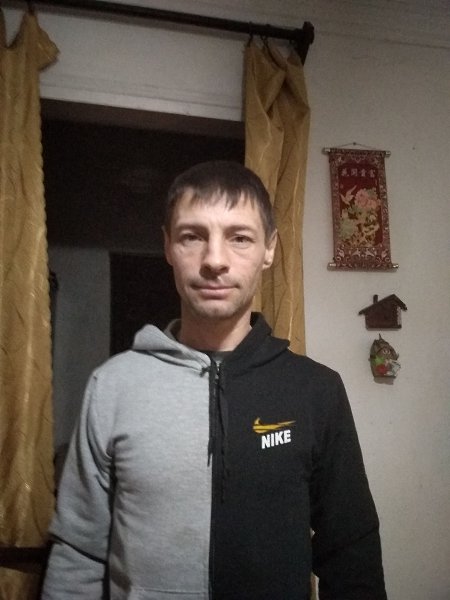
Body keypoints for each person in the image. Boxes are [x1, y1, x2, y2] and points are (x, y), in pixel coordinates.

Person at [42, 160, 387, 599]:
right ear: (168, 246)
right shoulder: (113, 387)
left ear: (269, 249)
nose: (215, 261)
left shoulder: (316, 391)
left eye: (239, 237)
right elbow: (79, 553)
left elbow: (351, 552)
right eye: (192, 236)